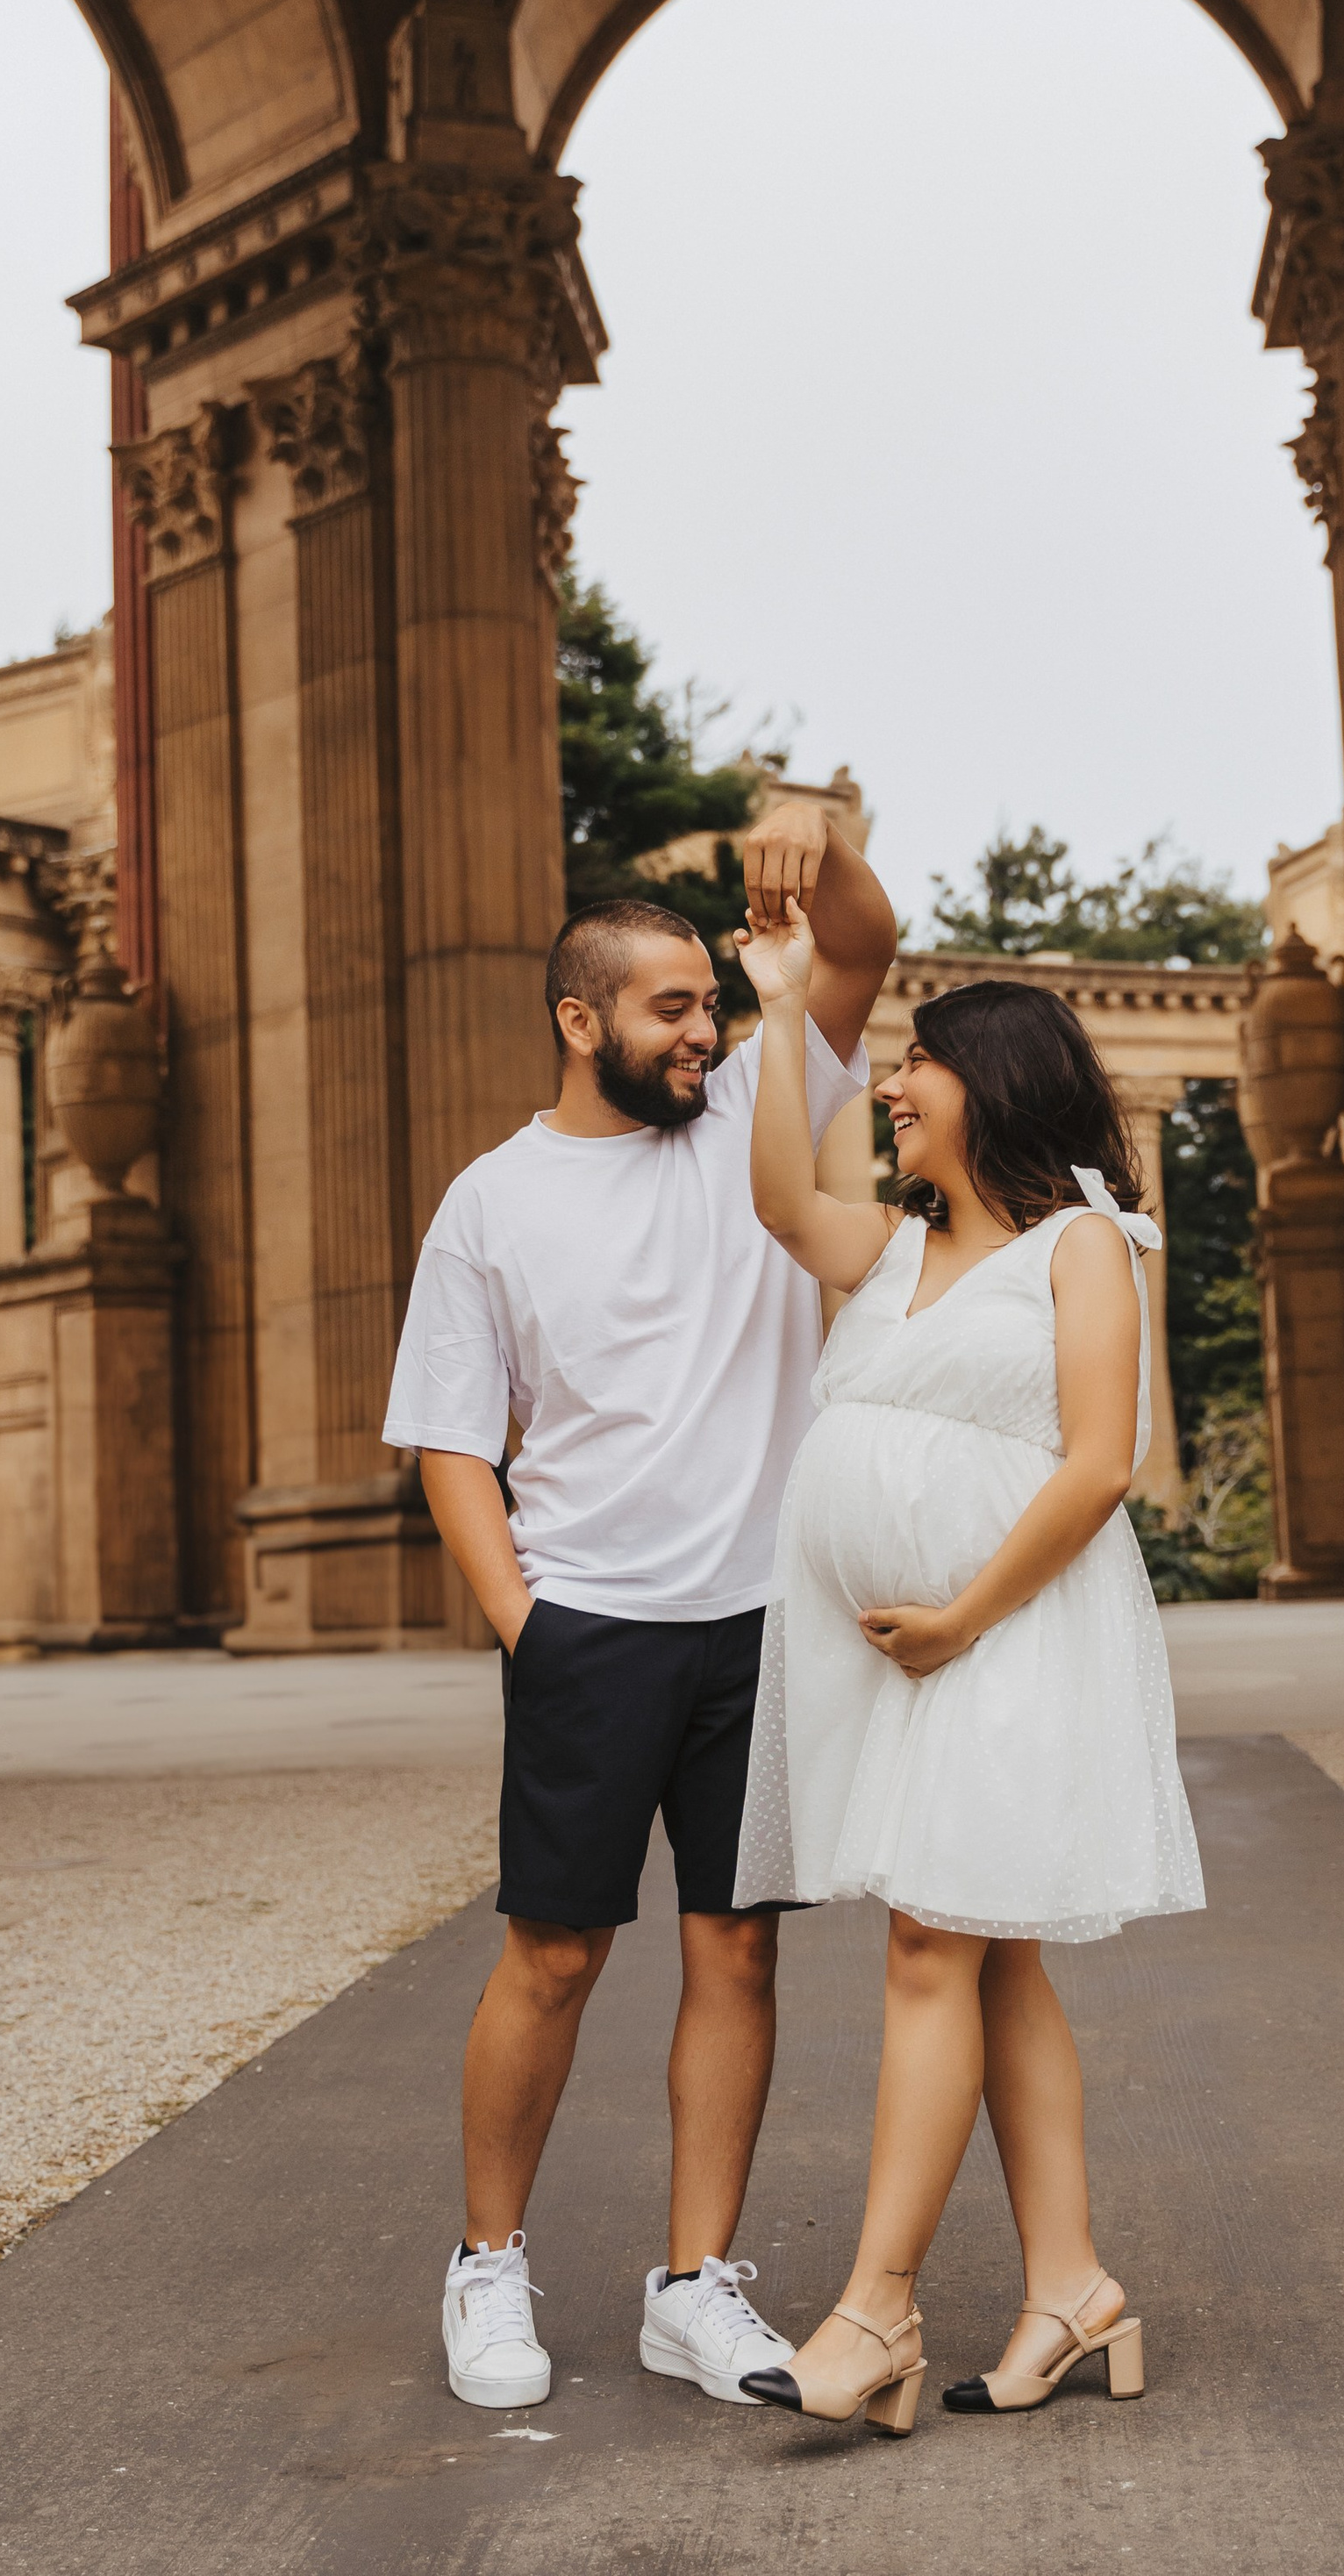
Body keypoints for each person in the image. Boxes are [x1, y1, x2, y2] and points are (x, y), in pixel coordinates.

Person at [381, 804, 897, 2413]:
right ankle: (487, 2267)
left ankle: (695, 2284)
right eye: (671, 1006)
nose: (706, 1029)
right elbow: (455, 1442)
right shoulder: (490, 1203)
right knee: (554, 1954)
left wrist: (827, 850)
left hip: (763, 1622)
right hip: (591, 1623)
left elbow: (865, 949)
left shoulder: (758, 1101)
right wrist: (525, 1620)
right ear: (580, 1019)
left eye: (712, 1001)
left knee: (735, 1952)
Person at [727, 904, 1204, 2438]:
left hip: (1011, 1638)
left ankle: (875, 2313)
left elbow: (1095, 1468)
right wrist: (786, 1007)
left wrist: (962, 1617)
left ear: (993, 1080)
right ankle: (1071, 2286)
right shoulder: (891, 1251)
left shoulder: (1086, 1247)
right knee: (994, 1956)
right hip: (908, 1662)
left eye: (916, 1062)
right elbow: (784, 1196)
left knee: (935, 1946)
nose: (892, 1086)